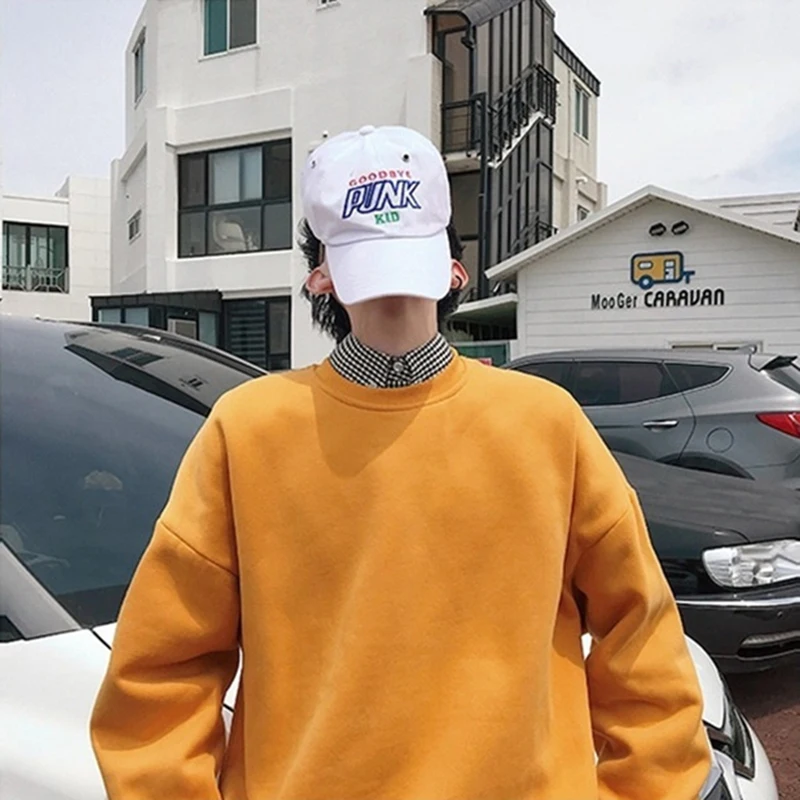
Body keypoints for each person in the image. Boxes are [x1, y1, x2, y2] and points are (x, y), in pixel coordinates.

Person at [90, 125, 712, 799]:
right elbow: (163, 672)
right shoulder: (247, 431)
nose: (393, 295)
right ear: (320, 276)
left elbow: (641, 636)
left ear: (454, 268)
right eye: (368, 260)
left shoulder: (547, 424)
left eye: (408, 258)